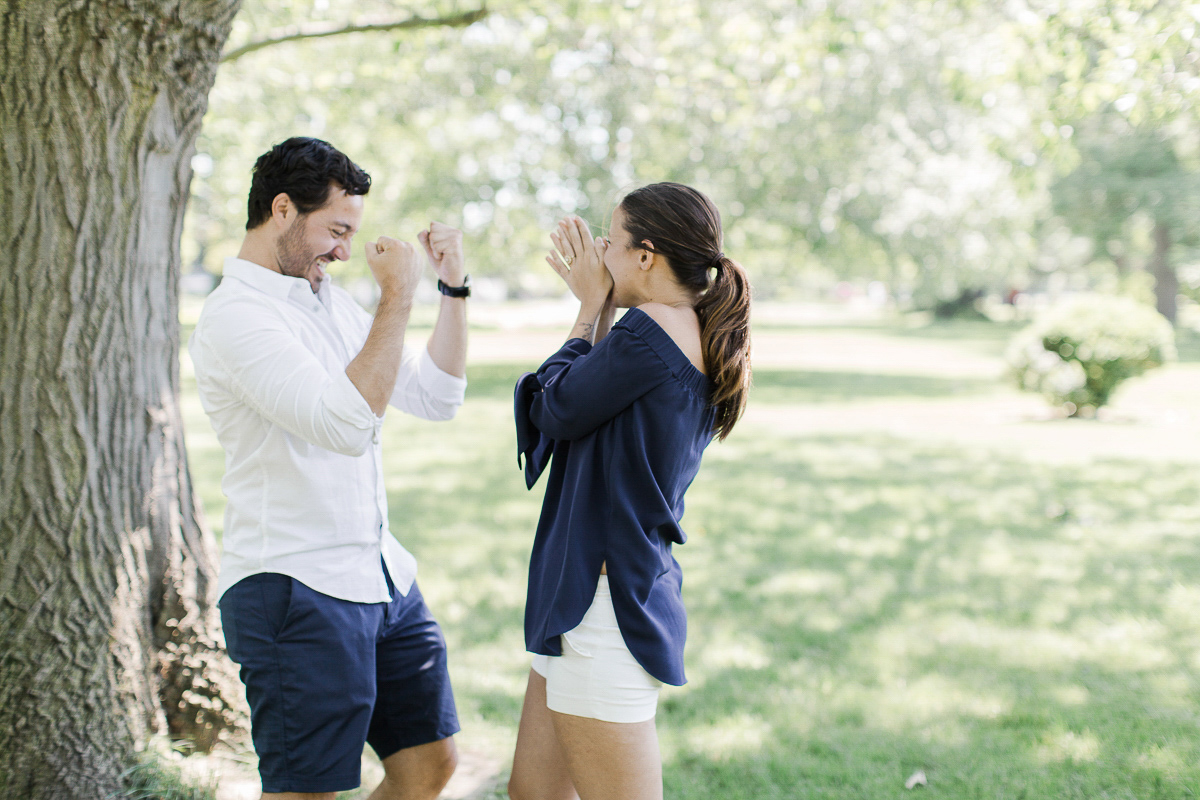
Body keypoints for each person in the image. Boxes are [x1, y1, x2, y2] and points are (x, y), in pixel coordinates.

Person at [189, 137, 471, 800]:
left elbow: (437, 395)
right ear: (282, 210)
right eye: (336, 231)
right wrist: (395, 298)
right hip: (296, 585)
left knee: (429, 763)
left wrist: (450, 286)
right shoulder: (237, 318)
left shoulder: (326, 301)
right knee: (307, 791)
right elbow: (344, 425)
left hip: (381, 576)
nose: (346, 251)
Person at [508, 183, 752, 800]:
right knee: (533, 791)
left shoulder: (651, 328)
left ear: (646, 256)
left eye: (610, 242)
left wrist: (590, 308)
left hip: (601, 606)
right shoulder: (679, 326)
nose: (599, 255)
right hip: (585, 595)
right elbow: (586, 401)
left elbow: (556, 409)